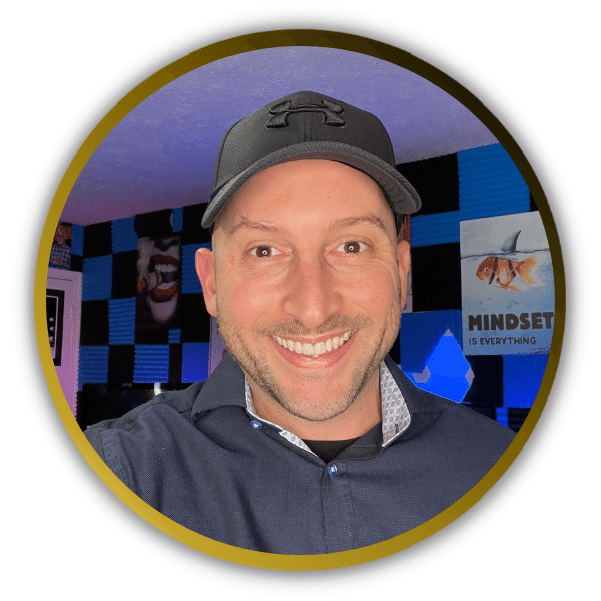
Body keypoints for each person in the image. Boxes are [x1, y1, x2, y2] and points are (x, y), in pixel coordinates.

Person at [85, 91, 515, 555]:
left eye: (351, 247)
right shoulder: (118, 473)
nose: (313, 309)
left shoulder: (503, 473)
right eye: (264, 251)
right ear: (211, 284)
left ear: (400, 271)